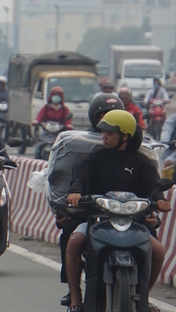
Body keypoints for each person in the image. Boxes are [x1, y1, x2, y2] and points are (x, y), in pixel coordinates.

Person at [65, 110, 171, 312]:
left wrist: (160, 200)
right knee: (74, 242)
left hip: (134, 222)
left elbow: (154, 186)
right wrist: (75, 192)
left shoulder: (142, 162)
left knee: (158, 252)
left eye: (109, 133)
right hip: (98, 219)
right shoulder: (95, 157)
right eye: (102, 132)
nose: (103, 136)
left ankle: (143, 297)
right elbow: (80, 177)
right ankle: (75, 297)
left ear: (125, 136)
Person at [52, 93, 125, 306]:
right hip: (92, 210)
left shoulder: (139, 153)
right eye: (104, 120)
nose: (108, 129)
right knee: (70, 236)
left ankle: (144, 295)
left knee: (153, 243)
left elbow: (151, 184)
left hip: (128, 212)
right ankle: (73, 293)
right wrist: (67, 203)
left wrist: (154, 206)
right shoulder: (82, 147)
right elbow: (72, 177)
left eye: (114, 120)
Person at [32, 86, 73, 158]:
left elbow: (67, 120)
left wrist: (68, 125)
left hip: (59, 131)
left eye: (58, 96)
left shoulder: (64, 109)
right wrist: (37, 121)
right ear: (51, 96)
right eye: (54, 95)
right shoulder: (46, 107)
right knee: (39, 145)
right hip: (46, 130)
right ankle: (36, 157)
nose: (56, 97)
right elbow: (40, 116)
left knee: (65, 146)